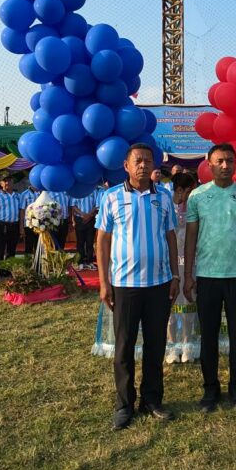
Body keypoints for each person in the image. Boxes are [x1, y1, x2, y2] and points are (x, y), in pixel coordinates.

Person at [97, 143, 180, 431]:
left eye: (148, 160)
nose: (143, 165)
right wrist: (104, 282)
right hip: (124, 285)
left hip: (159, 283)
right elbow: (102, 241)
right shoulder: (111, 197)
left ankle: (152, 400)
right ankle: (124, 404)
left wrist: (175, 276)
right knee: (124, 347)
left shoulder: (164, 197)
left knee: (156, 345)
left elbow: (171, 237)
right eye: (138, 161)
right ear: (126, 166)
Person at [184, 143, 236, 412]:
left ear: (235, 163)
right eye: (219, 161)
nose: (225, 165)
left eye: (230, 160)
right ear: (209, 164)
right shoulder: (197, 196)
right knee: (208, 336)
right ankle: (210, 389)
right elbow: (191, 237)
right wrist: (188, 275)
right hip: (207, 276)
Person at [165, 173, 199, 363]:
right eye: (190, 190)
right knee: (169, 305)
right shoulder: (166, 205)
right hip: (170, 262)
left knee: (189, 303)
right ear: (180, 190)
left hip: (190, 262)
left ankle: (187, 345)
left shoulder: (196, 206)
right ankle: (172, 346)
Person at [0, 174, 24, 279]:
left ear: (13, 182)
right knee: (0, 250)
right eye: (5, 181)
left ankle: (8, 273)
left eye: (10, 180)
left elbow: (21, 212)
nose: (8, 182)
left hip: (15, 225)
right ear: (1, 183)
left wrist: (21, 227)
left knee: (11, 251)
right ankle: (0, 274)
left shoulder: (18, 196)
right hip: (1, 226)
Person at [69, 190, 99, 269]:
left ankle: (90, 261)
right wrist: (83, 215)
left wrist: (89, 215)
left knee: (90, 242)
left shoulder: (93, 190)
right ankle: (80, 262)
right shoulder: (76, 190)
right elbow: (73, 205)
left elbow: (96, 205)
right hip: (79, 219)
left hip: (91, 219)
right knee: (80, 242)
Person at [17, 173, 40, 254]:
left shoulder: (40, 193)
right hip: (28, 224)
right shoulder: (24, 194)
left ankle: (38, 262)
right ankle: (28, 261)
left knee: (38, 246)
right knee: (29, 245)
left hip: (39, 223)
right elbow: (22, 210)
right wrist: (21, 227)